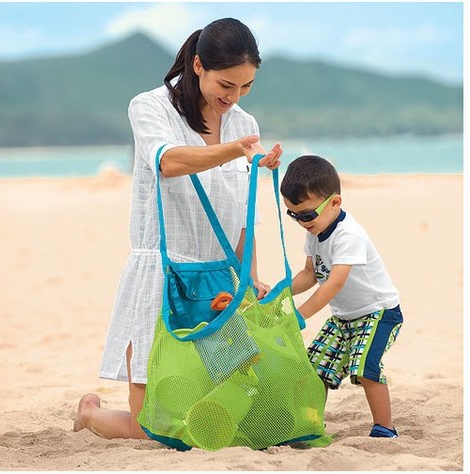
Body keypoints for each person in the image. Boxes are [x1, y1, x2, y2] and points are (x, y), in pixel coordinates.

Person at [73, 18, 282, 440]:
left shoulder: (244, 124)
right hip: (162, 275)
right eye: (227, 85)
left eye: (245, 87)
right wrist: (234, 152)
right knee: (154, 427)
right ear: (199, 65)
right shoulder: (150, 107)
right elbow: (167, 162)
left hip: (221, 284)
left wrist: (251, 275)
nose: (234, 97)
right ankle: (91, 413)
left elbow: (245, 215)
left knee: (230, 415)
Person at [280, 155, 403, 438]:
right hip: (344, 318)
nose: (301, 221)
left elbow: (333, 284)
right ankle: (311, 424)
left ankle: (385, 428)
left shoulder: (349, 235)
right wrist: (280, 292)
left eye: (306, 214)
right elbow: (310, 274)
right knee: (315, 368)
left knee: (365, 369)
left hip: (379, 314)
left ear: (335, 202)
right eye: (293, 214)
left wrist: (300, 315)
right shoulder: (315, 230)